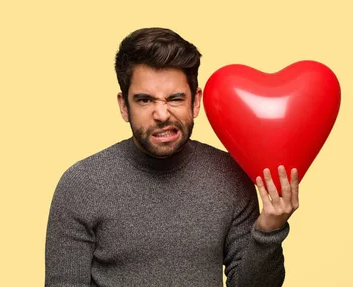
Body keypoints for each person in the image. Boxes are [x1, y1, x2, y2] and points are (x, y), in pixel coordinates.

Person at [44, 27, 300, 287]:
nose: (162, 114)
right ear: (124, 106)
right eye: (145, 100)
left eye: (175, 99)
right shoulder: (81, 184)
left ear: (195, 101)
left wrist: (269, 229)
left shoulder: (231, 175)